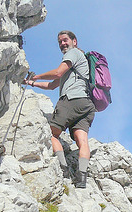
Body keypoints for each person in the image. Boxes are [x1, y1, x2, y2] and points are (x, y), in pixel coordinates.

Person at [24, 30, 96, 188]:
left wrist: (35, 76)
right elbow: (52, 85)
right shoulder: (78, 63)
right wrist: (31, 84)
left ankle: (63, 169)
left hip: (71, 100)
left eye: (65, 40)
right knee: (82, 141)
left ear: (74, 41)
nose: (63, 44)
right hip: (86, 104)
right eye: (60, 42)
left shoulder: (73, 54)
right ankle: (81, 178)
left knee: (51, 134)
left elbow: (57, 73)